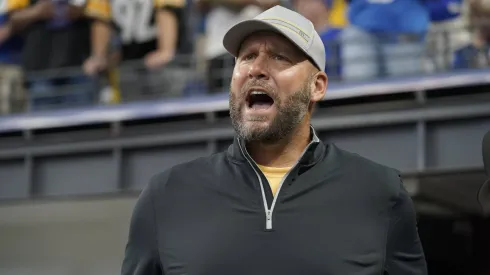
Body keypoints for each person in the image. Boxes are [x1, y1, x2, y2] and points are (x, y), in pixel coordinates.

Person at [121, 5, 427, 275]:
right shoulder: (166, 196)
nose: (256, 69)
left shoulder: (379, 191)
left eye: (279, 58)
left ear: (317, 86)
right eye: (247, 57)